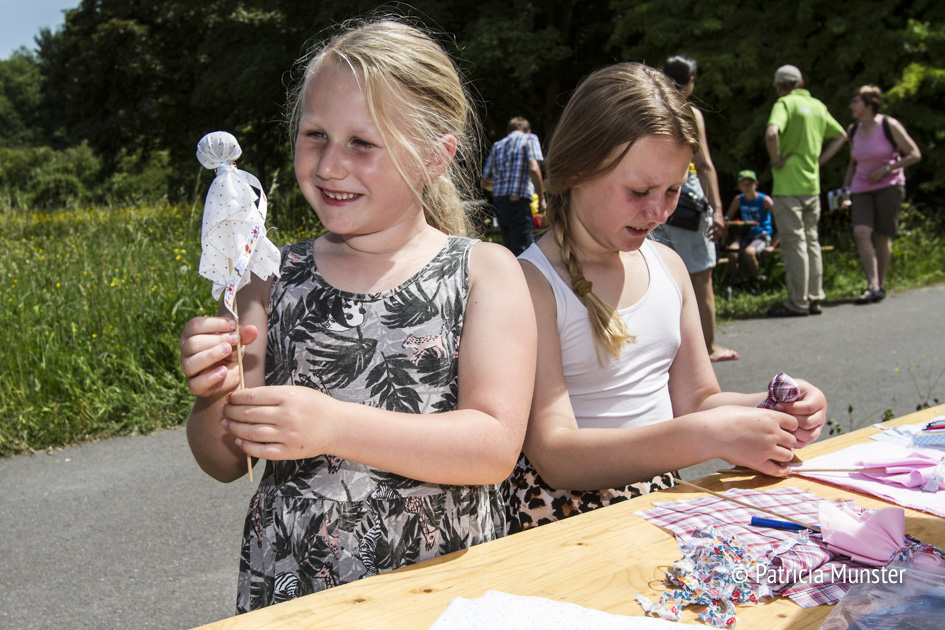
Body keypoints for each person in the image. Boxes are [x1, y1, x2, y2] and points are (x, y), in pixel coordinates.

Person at [179, 19, 536, 612]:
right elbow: (224, 460)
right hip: (296, 583)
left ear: (434, 156)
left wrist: (335, 426)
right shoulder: (268, 275)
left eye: (362, 144)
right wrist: (213, 393)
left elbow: (492, 448)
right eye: (315, 134)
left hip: (439, 583)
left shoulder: (485, 271)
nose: (329, 165)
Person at [503, 62, 827, 534]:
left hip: (660, 512)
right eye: (639, 191)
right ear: (575, 170)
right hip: (566, 527)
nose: (658, 211)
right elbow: (556, 455)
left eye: (673, 189)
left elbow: (698, 400)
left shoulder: (669, 267)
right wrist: (705, 436)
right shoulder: (530, 284)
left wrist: (771, 408)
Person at [651, 55, 738, 363]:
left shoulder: (647, 106)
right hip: (685, 196)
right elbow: (703, 164)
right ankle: (710, 347)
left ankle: (661, 350)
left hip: (650, 195)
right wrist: (717, 209)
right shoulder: (689, 112)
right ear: (689, 83)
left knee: (652, 273)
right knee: (700, 277)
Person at [765, 65, 848, 317]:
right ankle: (815, 297)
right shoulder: (818, 106)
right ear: (801, 83)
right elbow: (842, 135)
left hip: (787, 185)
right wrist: (819, 161)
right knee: (811, 240)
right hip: (812, 184)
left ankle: (797, 302)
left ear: (779, 87)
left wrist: (776, 158)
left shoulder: (784, 104)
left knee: (794, 242)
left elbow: (771, 132)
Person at [842, 85, 922, 304]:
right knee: (860, 231)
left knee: (882, 235)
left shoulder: (889, 125)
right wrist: (844, 190)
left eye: (856, 102)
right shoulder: (853, 130)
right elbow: (853, 162)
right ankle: (872, 284)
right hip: (861, 188)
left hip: (889, 186)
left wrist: (887, 169)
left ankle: (881, 284)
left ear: (869, 105)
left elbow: (914, 154)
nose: (851, 106)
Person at [481, 116, 547, 255]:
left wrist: (502, 188)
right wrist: (541, 198)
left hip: (500, 205)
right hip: (519, 204)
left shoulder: (498, 145)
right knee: (525, 252)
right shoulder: (529, 138)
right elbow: (534, 169)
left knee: (510, 253)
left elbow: (485, 182)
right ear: (527, 131)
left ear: (508, 133)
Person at [724, 169, 777, 283]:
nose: (746, 187)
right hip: (745, 233)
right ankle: (735, 280)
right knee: (732, 252)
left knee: (749, 253)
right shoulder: (738, 199)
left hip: (761, 234)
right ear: (739, 186)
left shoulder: (765, 200)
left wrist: (773, 245)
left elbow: (782, 222)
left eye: (749, 184)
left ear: (756, 184)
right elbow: (726, 220)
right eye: (743, 184)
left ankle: (755, 282)